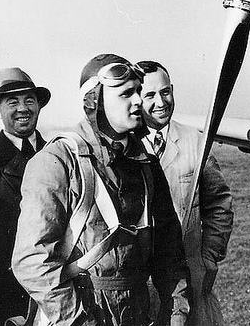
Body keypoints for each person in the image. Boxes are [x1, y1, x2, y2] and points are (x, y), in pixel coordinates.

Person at [12, 54, 189, 326]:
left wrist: (177, 310)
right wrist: (78, 321)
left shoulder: (145, 163)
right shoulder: (58, 161)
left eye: (139, 91)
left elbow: (169, 251)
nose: (139, 101)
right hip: (78, 314)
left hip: (139, 313)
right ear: (96, 100)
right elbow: (32, 262)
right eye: (126, 93)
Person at [138, 60, 233, 326]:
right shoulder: (125, 146)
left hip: (193, 282)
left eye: (166, 92)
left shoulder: (196, 141)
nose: (161, 102)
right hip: (141, 289)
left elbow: (219, 204)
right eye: (150, 95)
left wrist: (208, 259)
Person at [0, 67, 51, 323]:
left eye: (30, 100)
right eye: (12, 102)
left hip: (55, 285)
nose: (23, 108)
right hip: (4, 293)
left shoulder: (59, 155)